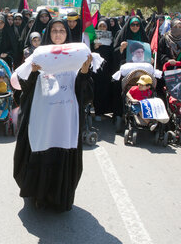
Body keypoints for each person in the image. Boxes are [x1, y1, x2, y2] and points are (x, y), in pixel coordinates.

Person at [13, 18, 93, 211]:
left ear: (67, 34)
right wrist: (33, 72)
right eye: (54, 30)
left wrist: (83, 72)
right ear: (48, 34)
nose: (58, 34)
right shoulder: (40, 56)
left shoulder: (76, 56)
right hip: (42, 117)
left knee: (63, 150)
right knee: (42, 149)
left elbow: (85, 92)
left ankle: (60, 197)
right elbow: (24, 88)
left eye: (62, 31)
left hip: (66, 117)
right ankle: (39, 196)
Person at [91, 20, 114, 118]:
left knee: (105, 88)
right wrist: (94, 47)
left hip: (107, 68)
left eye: (104, 26)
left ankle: (105, 110)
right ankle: (97, 111)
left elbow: (113, 51)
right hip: (96, 68)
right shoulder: (93, 39)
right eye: (100, 26)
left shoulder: (111, 38)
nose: (102, 28)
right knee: (96, 89)